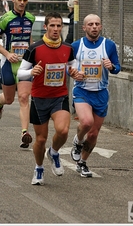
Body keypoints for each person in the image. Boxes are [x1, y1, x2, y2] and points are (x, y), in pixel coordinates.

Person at [17, 12, 82, 185]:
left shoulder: (68, 49)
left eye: (58, 26)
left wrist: (75, 72)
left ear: (62, 27)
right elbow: (20, 72)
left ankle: (53, 152)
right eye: (52, 25)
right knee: (40, 139)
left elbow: (72, 66)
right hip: (39, 99)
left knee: (63, 130)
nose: (55, 29)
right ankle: (39, 168)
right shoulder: (34, 49)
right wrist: (31, 72)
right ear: (45, 27)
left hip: (59, 97)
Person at [70, 14, 121, 178]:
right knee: (86, 122)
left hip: (100, 94)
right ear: (84, 27)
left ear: (100, 27)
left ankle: (82, 163)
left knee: (93, 134)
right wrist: (74, 74)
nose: (94, 27)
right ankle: (77, 141)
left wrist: (111, 66)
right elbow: (67, 66)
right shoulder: (76, 46)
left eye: (97, 24)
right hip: (82, 91)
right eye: (90, 24)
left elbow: (117, 67)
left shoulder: (109, 45)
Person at [0, 0, 36, 149]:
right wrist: (7, 53)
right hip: (8, 64)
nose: (22, 3)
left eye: (25, 0)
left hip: (24, 64)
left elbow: (29, 38)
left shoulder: (30, 18)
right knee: (9, 99)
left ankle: (25, 133)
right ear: (13, 0)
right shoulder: (6, 18)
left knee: (24, 98)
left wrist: (33, 56)